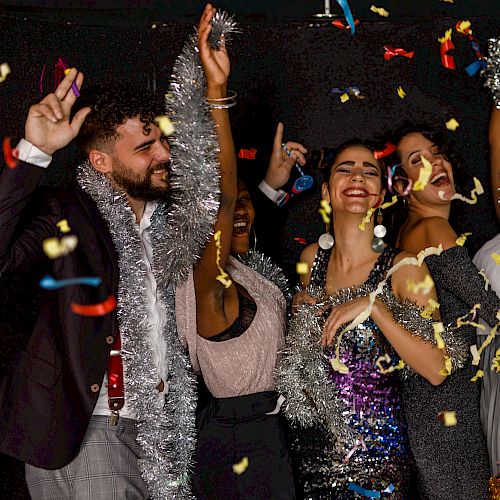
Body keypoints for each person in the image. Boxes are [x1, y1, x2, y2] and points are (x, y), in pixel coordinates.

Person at [0, 4, 231, 498]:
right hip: (95, 428)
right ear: (101, 160)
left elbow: (219, 196)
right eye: (145, 146)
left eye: (161, 142)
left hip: (160, 431)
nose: (163, 155)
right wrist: (34, 153)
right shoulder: (67, 213)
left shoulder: (170, 225)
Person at [276, 140, 454, 498]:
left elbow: (439, 367)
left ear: (379, 194)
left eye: (369, 171)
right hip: (313, 456)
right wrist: (298, 313)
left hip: (380, 462)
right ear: (326, 191)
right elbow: (306, 367)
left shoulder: (403, 268)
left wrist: (376, 310)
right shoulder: (312, 261)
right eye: (345, 169)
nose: (357, 176)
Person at [175, 126, 296, 498]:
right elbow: (225, 203)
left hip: (266, 433)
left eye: (248, 199)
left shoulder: (245, 271)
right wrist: (217, 95)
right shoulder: (206, 278)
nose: (240, 209)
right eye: (230, 205)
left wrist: (270, 186)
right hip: (239, 441)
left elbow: (238, 209)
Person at [389, 124, 494, 498]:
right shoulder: (432, 229)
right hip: (448, 415)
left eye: (437, 152)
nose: (435, 162)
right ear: (402, 186)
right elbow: (491, 310)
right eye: (417, 160)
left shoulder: (410, 231)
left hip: (435, 413)